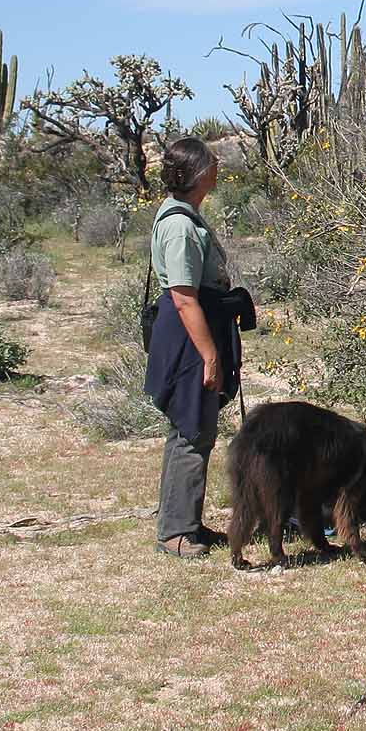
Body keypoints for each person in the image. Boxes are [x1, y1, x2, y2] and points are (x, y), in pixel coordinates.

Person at [143, 137, 245, 559]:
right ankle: (176, 534)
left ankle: (183, 523)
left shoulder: (185, 217)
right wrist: (209, 355)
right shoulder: (180, 226)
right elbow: (185, 297)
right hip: (189, 338)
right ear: (199, 173)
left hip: (194, 331)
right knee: (191, 428)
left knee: (191, 428)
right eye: (212, 163)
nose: (217, 168)